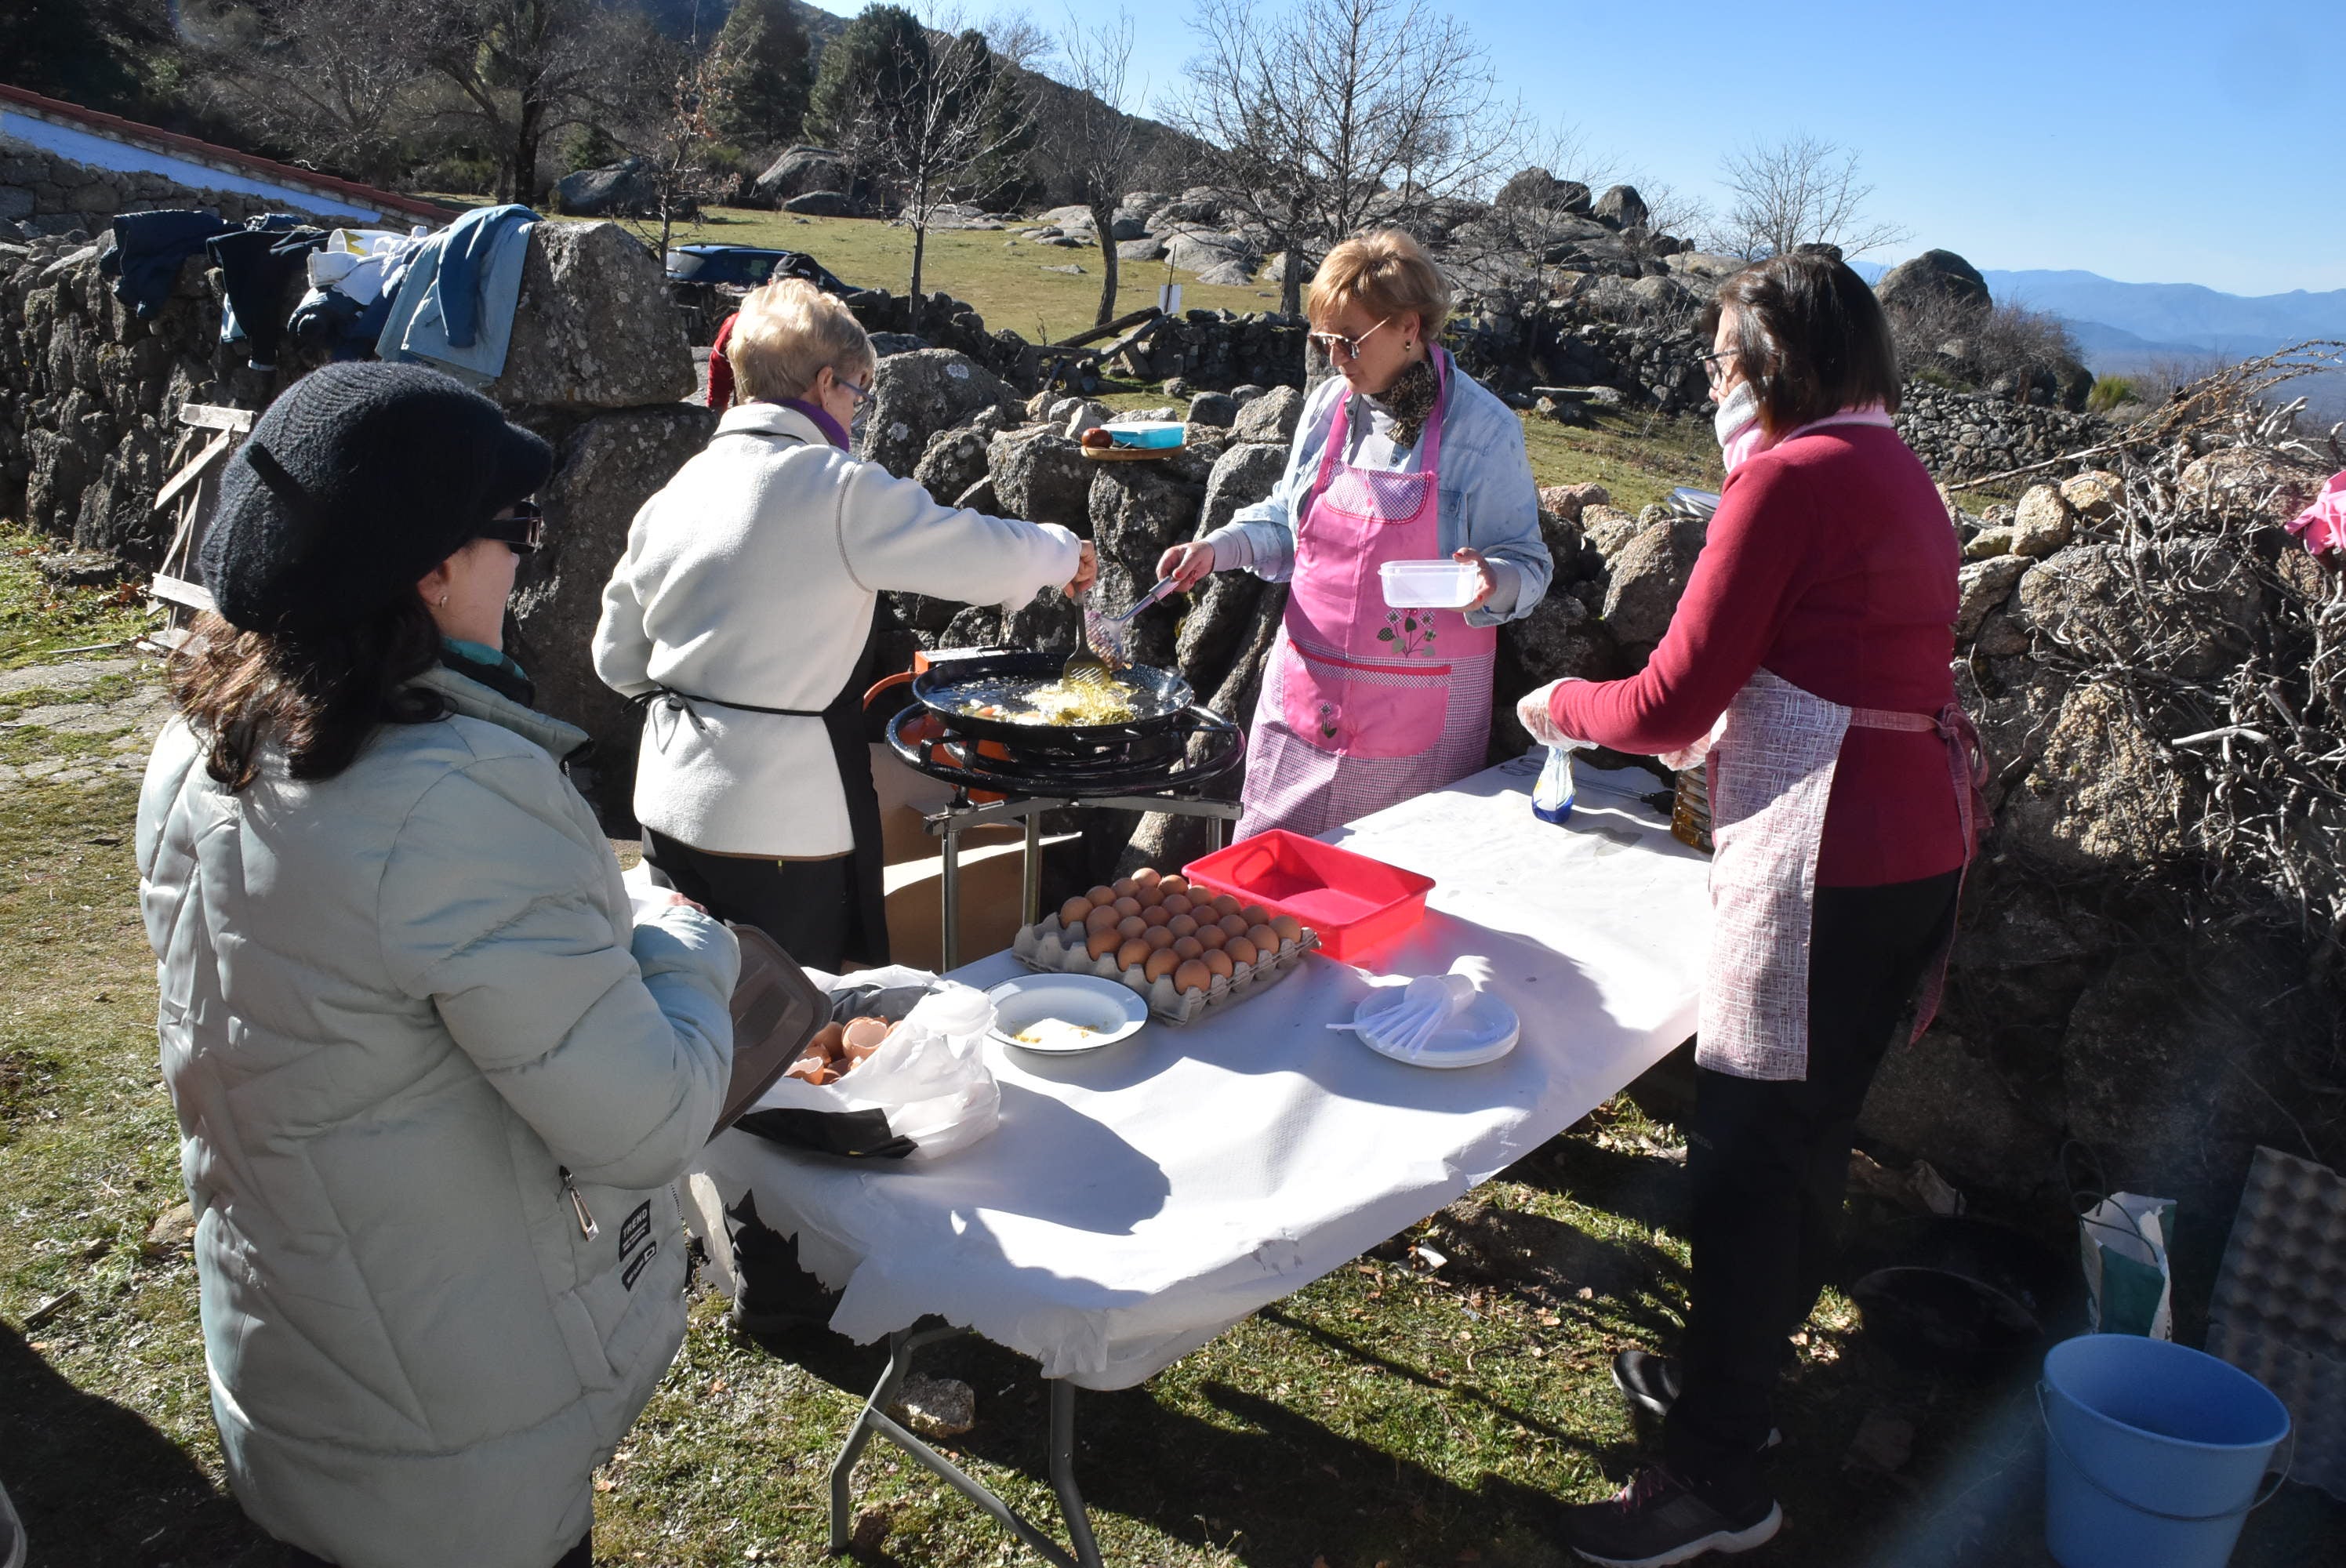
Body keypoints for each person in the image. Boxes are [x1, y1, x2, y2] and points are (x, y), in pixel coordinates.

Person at [136, 363, 739, 1568]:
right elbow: (647, 1123)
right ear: (426, 568)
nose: (529, 558)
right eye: (515, 528)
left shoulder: (204, 749)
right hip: (447, 1442)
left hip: (290, 1355)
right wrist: (682, 942)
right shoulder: (453, 797)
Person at [1520, 252, 1983, 1567]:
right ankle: (1737, 1396)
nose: (1714, 385)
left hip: (1826, 857)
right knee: (1803, 1145)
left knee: (1738, 1164)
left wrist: (1561, 708)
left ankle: (1717, 1479)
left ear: (1775, 365)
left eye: (1724, 363)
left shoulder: (1788, 477)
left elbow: (1667, 702)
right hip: (1908, 851)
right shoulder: (1898, 471)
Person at [595, 277, 1096, 971]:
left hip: (668, 803)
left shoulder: (676, 491)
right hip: (780, 827)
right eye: (859, 392)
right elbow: (974, 552)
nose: (857, 415)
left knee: (687, 999)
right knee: (790, 1030)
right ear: (825, 383)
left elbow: (615, 658)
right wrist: (1065, 549)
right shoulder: (837, 489)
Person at [1156, 227, 1551, 838]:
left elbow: (1529, 564)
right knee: (1270, 887)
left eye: (1349, 341)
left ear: (1409, 327)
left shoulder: (1485, 431)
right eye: (1324, 342)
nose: (1336, 359)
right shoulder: (1328, 409)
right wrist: (1215, 549)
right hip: (1304, 707)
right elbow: (1288, 522)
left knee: (1391, 900)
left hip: (1417, 729)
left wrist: (1489, 580)